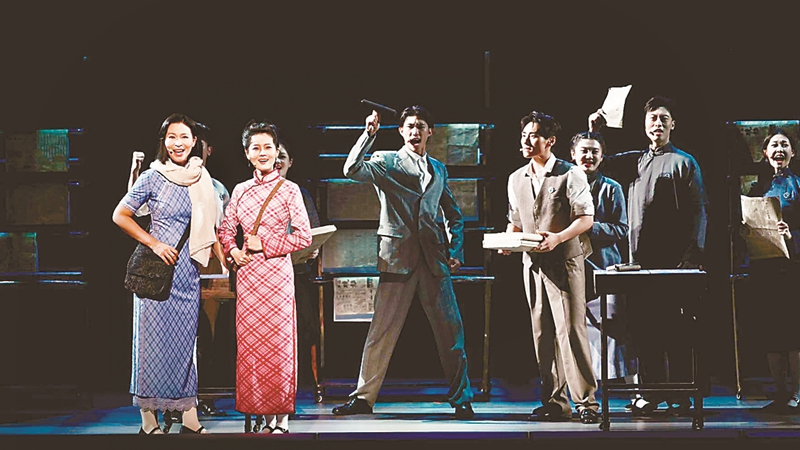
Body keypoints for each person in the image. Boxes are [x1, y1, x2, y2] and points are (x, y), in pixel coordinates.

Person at [331, 106, 475, 419]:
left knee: (451, 332)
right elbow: (351, 169)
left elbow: (454, 214)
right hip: (397, 258)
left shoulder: (438, 168)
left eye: (420, 126)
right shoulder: (386, 161)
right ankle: (363, 398)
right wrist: (368, 135)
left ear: (430, 131)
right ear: (400, 131)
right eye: (409, 126)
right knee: (381, 332)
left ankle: (462, 398)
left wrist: (456, 251)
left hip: (434, 260)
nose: (414, 131)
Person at [589, 95, 708, 415]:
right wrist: (596, 131)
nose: (658, 123)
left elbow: (699, 209)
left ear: (673, 124)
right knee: (645, 330)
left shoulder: (684, 162)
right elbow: (598, 161)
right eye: (653, 118)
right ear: (644, 125)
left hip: (674, 262)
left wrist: (694, 252)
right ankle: (652, 394)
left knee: (676, 330)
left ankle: (680, 396)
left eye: (663, 118)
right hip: (638, 261)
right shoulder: (635, 161)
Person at [112, 112, 219, 434]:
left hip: (187, 273)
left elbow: (212, 226)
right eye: (172, 137)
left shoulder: (201, 178)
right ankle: (149, 420)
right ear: (164, 141)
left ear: (195, 141)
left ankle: (189, 416)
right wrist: (155, 243)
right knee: (151, 346)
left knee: (185, 347)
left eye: (184, 137)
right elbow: (120, 215)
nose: (178, 143)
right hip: (156, 274)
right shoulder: (152, 176)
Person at [502, 111, 599, 424]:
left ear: (550, 140)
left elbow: (585, 218)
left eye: (534, 135)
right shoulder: (516, 178)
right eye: (524, 135)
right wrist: (508, 241)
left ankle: (586, 402)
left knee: (571, 331)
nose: (527, 141)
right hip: (533, 264)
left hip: (565, 262)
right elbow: (516, 220)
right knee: (542, 333)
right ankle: (555, 402)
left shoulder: (570, 173)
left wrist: (558, 238)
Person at [218, 120, 312, 434]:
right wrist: (233, 251)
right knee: (252, 349)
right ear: (247, 153)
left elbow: (303, 237)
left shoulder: (289, 190)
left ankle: (281, 419)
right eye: (256, 147)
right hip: (249, 278)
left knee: (280, 346)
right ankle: (261, 415)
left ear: (276, 151)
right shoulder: (240, 190)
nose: (263, 153)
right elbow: (226, 230)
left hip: (278, 278)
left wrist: (266, 243)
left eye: (268, 147)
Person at [568, 132, 639, 389]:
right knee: (576, 332)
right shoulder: (563, 185)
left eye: (594, 151)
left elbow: (621, 228)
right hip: (571, 269)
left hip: (604, 268)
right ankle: (583, 394)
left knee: (616, 331)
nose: (588, 156)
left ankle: (635, 392)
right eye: (583, 151)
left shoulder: (611, 188)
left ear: (602, 156)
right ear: (573, 155)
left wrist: (587, 228)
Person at [741, 129, 800, 414]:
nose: (779, 149)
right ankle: (779, 392)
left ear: (793, 153)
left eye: (784, 145)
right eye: (774, 145)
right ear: (764, 153)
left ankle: (797, 392)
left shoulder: (798, 185)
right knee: (771, 334)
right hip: (763, 268)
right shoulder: (756, 188)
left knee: (793, 334)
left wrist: (792, 235)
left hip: (792, 269)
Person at [276, 141, 322, 390]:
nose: (278, 161)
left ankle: (301, 381)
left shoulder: (300, 194)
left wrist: (313, 249)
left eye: (283, 156)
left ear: (290, 162)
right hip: (268, 273)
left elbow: (313, 231)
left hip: (297, 271)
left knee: (306, 327)